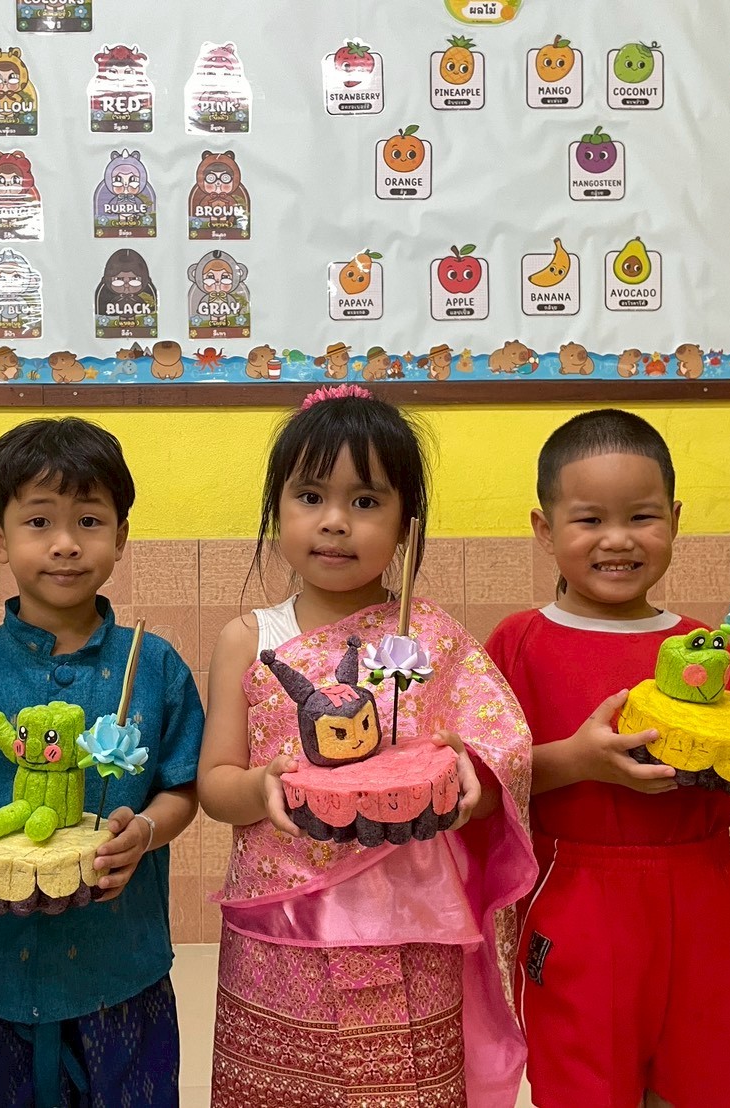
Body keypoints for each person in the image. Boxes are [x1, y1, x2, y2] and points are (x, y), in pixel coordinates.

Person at [198, 383, 536, 1107]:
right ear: (276, 511)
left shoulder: (430, 637)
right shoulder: (248, 640)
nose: (334, 521)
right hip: (282, 924)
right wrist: (261, 788)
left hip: (412, 925)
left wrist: (469, 781)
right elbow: (216, 785)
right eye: (310, 496)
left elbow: (497, 761)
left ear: (406, 524)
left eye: (364, 500)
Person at [486, 409, 730, 1108]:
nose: (618, 539)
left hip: (709, 896)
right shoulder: (518, 643)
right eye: (588, 519)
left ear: (675, 520)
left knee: (718, 1080)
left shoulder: (710, 649)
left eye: (642, 516)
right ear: (544, 529)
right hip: (577, 897)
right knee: (585, 1086)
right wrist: (576, 761)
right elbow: (479, 785)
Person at [0, 417, 204, 1107]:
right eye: (38, 521)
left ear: (120, 537)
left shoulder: (154, 665)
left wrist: (147, 831)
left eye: (89, 521)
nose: (66, 543)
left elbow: (181, 788)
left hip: (117, 964)